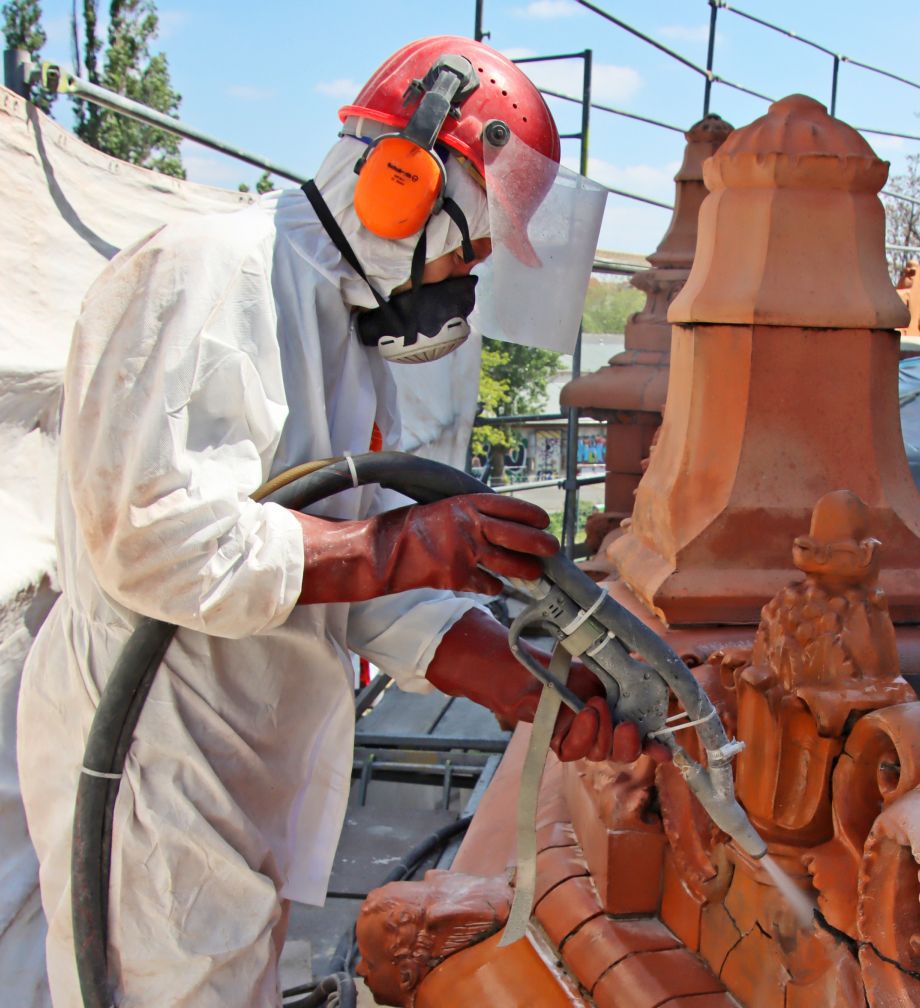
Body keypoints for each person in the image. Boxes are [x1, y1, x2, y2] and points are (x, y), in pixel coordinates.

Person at [17, 36, 647, 1008]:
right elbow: (149, 543)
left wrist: (531, 691)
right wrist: (410, 545)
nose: (462, 278)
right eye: (463, 241)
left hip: (239, 758)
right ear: (401, 171)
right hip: (152, 748)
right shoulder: (202, 275)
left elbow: (355, 586)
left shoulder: (349, 343)